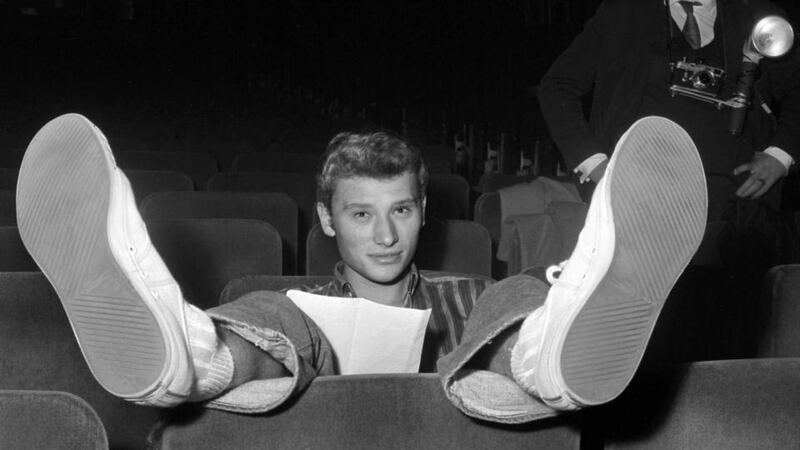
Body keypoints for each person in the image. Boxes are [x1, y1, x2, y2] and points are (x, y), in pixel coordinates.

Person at [16, 113, 705, 423]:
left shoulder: (472, 292)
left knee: (510, 299)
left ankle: (545, 354)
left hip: (468, 426)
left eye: (401, 210)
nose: (385, 235)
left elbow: (487, 299)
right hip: (311, 401)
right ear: (326, 219)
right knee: (280, 314)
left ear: (424, 212)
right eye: (360, 214)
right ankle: (193, 355)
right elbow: (289, 326)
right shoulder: (296, 307)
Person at [537, 0, 800, 270]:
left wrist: (780, 155)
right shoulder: (622, 14)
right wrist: (596, 165)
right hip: (638, 207)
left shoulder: (758, 18)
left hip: (736, 214)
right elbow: (557, 87)